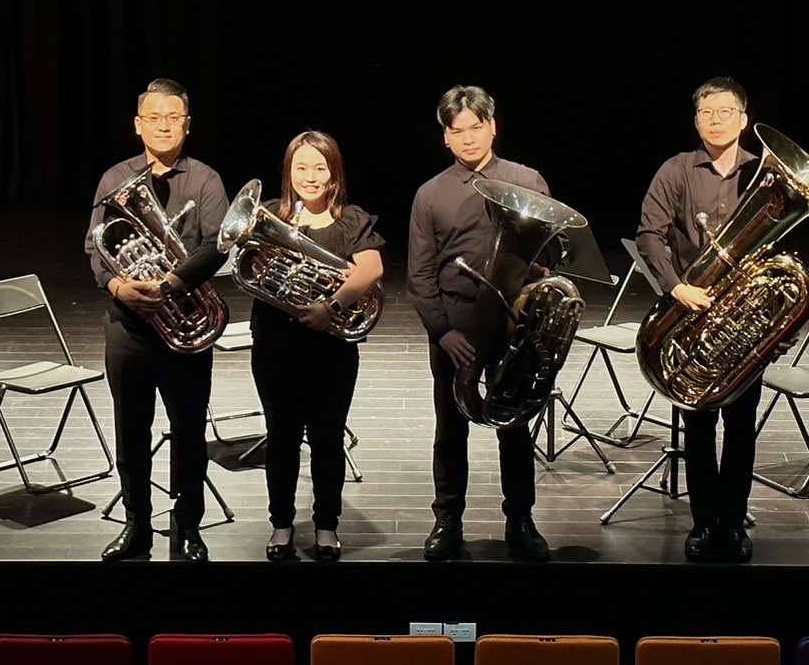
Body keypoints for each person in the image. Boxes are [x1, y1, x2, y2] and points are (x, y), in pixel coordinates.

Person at [406, 83, 555, 562]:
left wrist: (542, 268)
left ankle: (521, 520)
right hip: (457, 323)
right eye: (457, 130)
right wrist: (443, 332)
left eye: (476, 127)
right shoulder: (430, 194)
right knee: (450, 428)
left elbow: (554, 251)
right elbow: (419, 276)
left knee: (515, 424)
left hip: (515, 320)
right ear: (445, 137)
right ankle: (447, 519)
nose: (468, 138)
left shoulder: (526, 180)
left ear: (492, 126)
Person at [85, 77, 229, 562]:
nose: (163, 126)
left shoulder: (205, 180)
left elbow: (216, 245)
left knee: (189, 432)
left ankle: (188, 528)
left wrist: (168, 285)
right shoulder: (114, 178)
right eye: (154, 117)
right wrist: (119, 287)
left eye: (173, 118)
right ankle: (137, 527)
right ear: (137, 125)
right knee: (131, 431)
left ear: (187, 125)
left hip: (184, 322)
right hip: (128, 325)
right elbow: (96, 245)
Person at [635, 75, 764, 564]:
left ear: (743, 119)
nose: (716, 120)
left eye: (726, 111)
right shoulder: (676, 171)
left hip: (746, 318)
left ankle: (734, 522)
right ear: (696, 121)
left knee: (742, 426)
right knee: (700, 425)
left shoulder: (762, 174)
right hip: (694, 315)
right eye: (707, 112)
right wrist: (676, 287)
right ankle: (704, 523)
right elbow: (649, 236)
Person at [247, 130, 384, 563]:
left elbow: (371, 268)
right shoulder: (271, 216)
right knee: (281, 438)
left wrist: (331, 306)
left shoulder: (351, 220)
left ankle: (326, 525)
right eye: (301, 167)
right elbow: (243, 262)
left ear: (334, 173)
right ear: (288, 172)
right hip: (275, 345)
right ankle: (281, 524)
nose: (310, 176)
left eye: (320, 167)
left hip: (331, 349)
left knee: (327, 439)